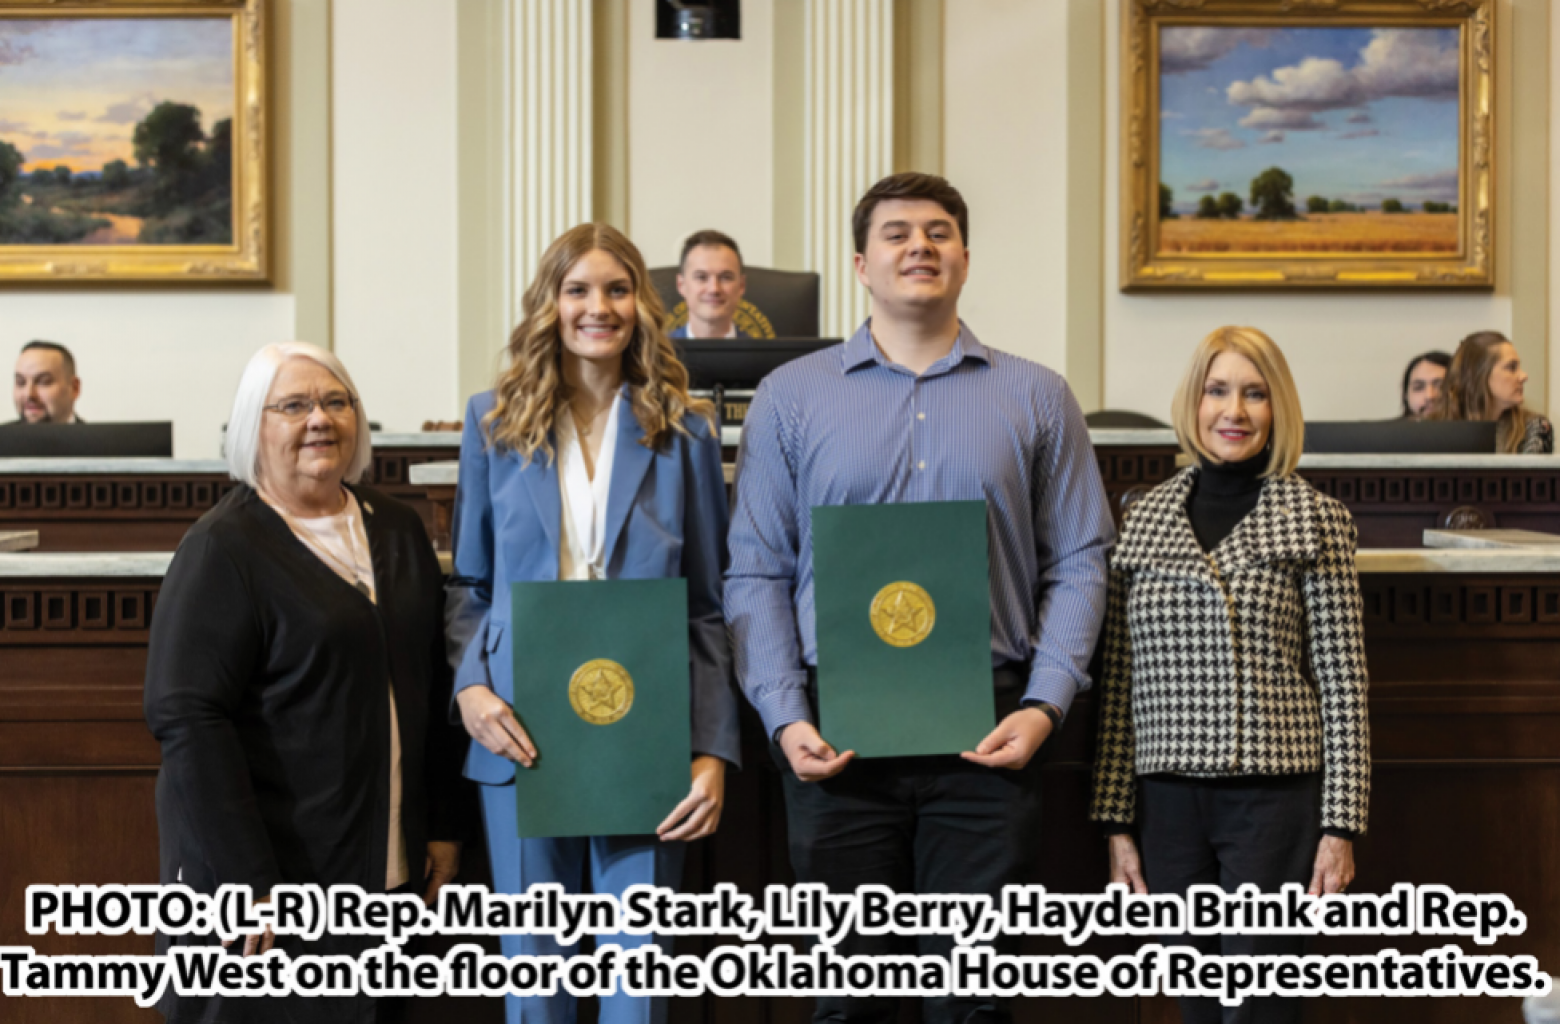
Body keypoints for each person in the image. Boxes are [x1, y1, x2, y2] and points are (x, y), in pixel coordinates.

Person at [725, 172, 1115, 1024]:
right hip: (834, 736)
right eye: (897, 234)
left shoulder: (1038, 396)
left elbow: (1083, 560)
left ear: (966, 259)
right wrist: (787, 717)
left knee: (972, 1002)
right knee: (848, 1001)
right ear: (862, 263)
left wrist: (1048, 704)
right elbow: (756, 568)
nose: (919, 247)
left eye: (938, 232)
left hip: (991, 729)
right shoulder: (792, 398)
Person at [445, 222, 740, 1024]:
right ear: (550, 304)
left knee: (636, 985)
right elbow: (469, 584)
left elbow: (709, 607)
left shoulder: (685, 432)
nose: (597, 307)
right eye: (578, 289)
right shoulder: (492, 424)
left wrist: (711, 750)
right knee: (535, 983)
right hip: (519, 725)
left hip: (645, 727)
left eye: (616, 289)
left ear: (642, 305)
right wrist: (471, 689)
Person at [144, 341, 472, 1024]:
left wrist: (441, 825)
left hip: (385, 868)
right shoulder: (222, 549)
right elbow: (188, 718)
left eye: (335, 401)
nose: (319, 419)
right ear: (251, 426)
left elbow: (433, 686)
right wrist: (247, 883)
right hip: (270, 878)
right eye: (293, 405)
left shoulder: (399, 528)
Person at [1090, 326, 1371, 1024]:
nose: (1234, 411)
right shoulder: (1143, 517)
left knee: (1262, 1006)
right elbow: (1121, 686)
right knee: (1198, 1004)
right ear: (1194, 401)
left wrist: (1342, 827)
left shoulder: (1315, 518)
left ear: (1278, 409)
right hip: (1167, 800)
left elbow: (1344, 684)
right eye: (1219, 390)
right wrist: (1116, 823)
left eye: (1255, 393)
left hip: (1274, 797)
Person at [1431, 331, 1554, 453]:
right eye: (1511, 367)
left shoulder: (1534, 427)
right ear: (1478, 375)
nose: (1524, 376)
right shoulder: (1431, 428)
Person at [669, 229, 756, 339]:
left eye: (726, 277)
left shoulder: (765, 355)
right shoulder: (655, 354)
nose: (714, 289)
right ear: (681, 285)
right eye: (701, 277)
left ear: (741, 285)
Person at [13, 340, 82, 423]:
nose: (29, 394)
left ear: (74, 388)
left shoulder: (97, 436)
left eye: (43, 382)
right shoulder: (3, 435)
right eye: (20, 382)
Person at [1400, 350, 1450, 419]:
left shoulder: (1469, 428)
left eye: (1441, 386)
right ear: (1405, 396)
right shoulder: (1387, 429)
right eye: (1418, 387)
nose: (1429, 396)